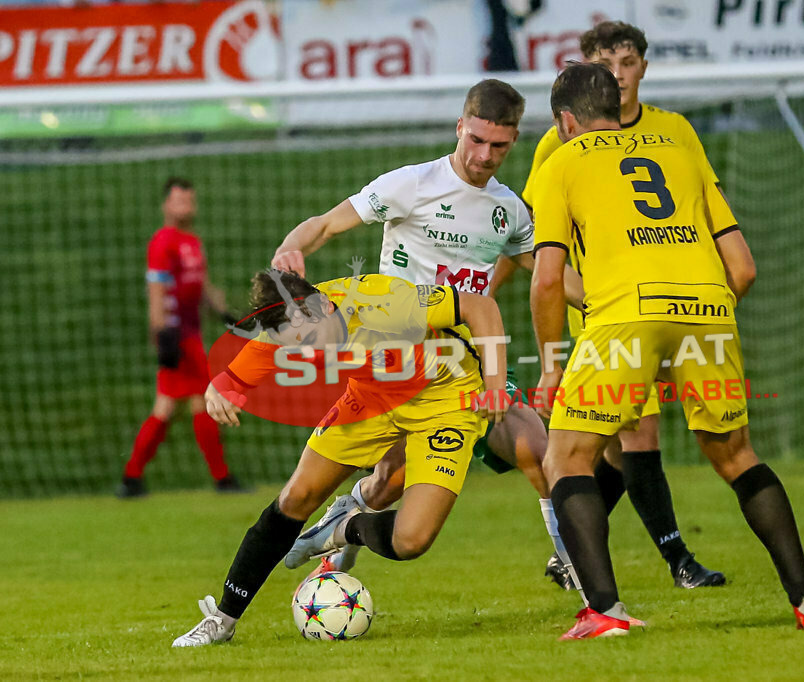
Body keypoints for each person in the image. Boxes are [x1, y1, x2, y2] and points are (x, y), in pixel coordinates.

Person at [530, 62, 804, 639]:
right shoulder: (680, 151)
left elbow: (547, 280)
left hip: (625, 315)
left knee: (566, 458)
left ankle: (604, 611)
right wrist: (692, 328)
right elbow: (741, 264)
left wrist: (551, 366)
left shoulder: (560, 163)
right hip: (708, 307)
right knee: (737, 456)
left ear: (566, 122)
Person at [269, 79, 586, 589]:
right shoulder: (412, 184)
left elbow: (550, 274)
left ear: (513, 141)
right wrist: (289, 253)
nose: (484, 156)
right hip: (398, 365)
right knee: (389, 482)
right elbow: (325, 225)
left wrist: (603, 303)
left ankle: (578, 573)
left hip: (465, 369)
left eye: (498, 146)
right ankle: (342, 530)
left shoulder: (509, 211)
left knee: (536, 447)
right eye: (476, 140)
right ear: (460, 127)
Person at [172, 269, 508, 647]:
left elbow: (481, 307)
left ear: (325, 305)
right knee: (295, 497)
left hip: (444, 400)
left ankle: (343, 527)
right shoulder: (289, 327)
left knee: (412, 540)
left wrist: (495, 386)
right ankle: (222, 620)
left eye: (310, 341)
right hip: (370, 399)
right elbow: (232, 377)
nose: (309, 353)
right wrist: (219, 389)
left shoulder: (384, 301)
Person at [505, 20, 725, 591]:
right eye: (606, 65)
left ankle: (570, 555)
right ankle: (678, 560)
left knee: (610, 449)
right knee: (636, 437)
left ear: (643, 67)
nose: (619, 75)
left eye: (627, 63)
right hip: (605, 316)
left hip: (671, 306)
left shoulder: (673, 131)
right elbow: (531, 238)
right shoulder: (558, 144)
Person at [118, 177, 241, 498]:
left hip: (191, 334)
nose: (186, 207)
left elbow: (202, 285)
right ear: (166, 205)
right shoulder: (163, 242)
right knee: (200, 400)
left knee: (170, 406)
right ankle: (222, 478)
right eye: (179, 201)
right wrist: (161, 333)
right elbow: (156, 290)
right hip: (176, 336)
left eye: (189, 201)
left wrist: (225, 313)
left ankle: (132, 478)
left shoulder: (193, 242)